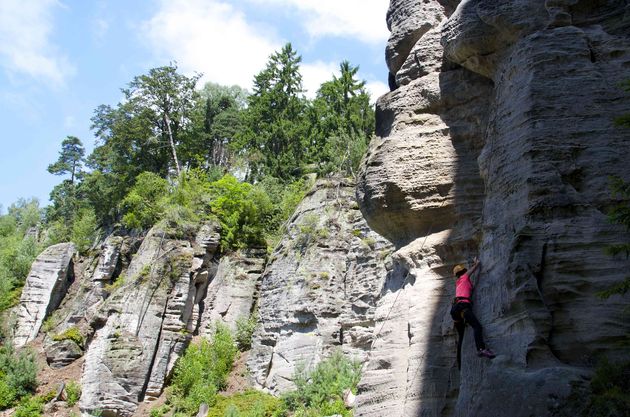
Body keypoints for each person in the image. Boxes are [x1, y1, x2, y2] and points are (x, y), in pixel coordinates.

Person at [450, 258, 495, 369]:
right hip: (462, 307)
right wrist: (477, 264)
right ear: (463, 272)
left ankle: (460, 364)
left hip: (456, 310)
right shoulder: (464, 277)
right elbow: (472, 270)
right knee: (477, 327)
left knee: (461, 336)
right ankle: (481, 349)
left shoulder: (458, 282)